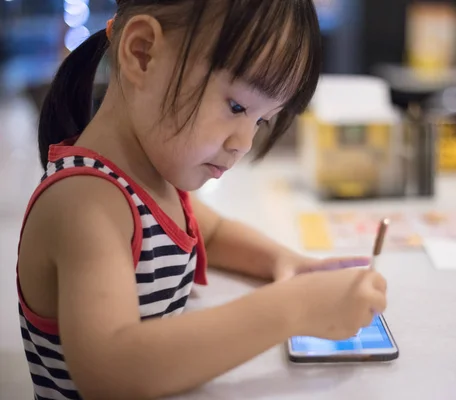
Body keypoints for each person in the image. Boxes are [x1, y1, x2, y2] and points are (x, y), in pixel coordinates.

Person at [16, 1, 388, 399]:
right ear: (143, 54)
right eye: (237, 106)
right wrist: (289, 309)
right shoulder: (85, 202)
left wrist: (285, 263)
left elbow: (210, 234)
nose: (244, 143)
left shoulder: (153, 177)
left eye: (261, 120)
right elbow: (111, 370)